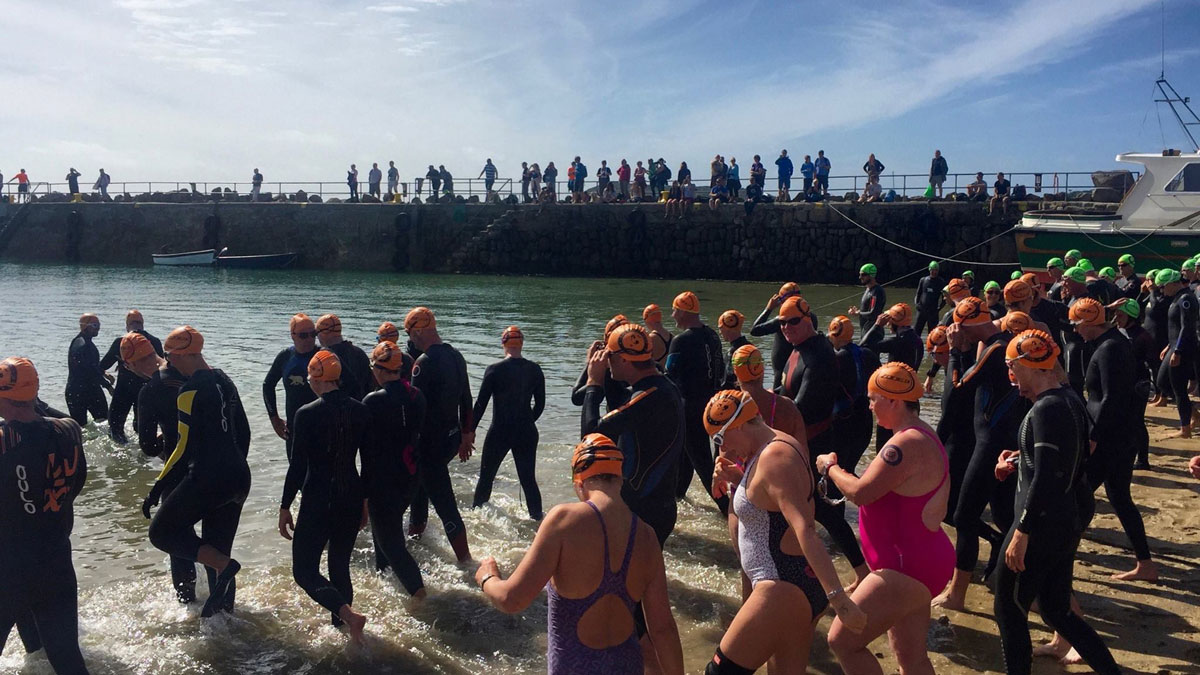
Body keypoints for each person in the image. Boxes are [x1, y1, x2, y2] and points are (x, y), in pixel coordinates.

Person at [475, 435, 684, 675]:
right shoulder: (647, 536)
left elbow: (512, 600)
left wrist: (487, 578)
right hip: (628, 666)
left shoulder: (564, 521)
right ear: (620, 480)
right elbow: (662, 630)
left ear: (579, 482)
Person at [704, 390, 867, 674]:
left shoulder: (775, 457)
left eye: (720, 439)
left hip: (781, 585)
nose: (723, 449)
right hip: (792, 583)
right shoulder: (772, 445)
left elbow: (805, 528)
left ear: (739, 425)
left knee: (719, 672)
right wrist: (737, 481)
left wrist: (839, 600)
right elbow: (769, 504)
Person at [994, 330, 1122, 675]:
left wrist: (1023, 531)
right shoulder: (1068, 399)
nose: (1009, 376)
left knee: (1009, 606)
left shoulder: (1048, 409)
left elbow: (1050, 475)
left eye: (1011, 367)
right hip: (1064, 520)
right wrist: (1021, 459)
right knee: (1055, 610)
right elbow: (1066, 460)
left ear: (1029, 366)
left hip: (1042, 524)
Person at [815, 362, 952, 675]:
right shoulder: (920, 434)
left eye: (873, 398)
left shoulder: (905, 443)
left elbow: (861, 493)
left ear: (895, 400)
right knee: (911, 658)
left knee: (842, 641)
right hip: (919, 562)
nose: (870, 406)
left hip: (906, 566)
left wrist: (830, 467)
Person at [144, 326, 250, 619]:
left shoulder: (188, 390)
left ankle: (223, 571)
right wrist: (234, 465)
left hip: (208, 476)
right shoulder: (225, 380)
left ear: (183, 355)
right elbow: (244, 432)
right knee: (219, 550)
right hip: (239, 476)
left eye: (170, 356)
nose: (169, 363)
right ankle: (224, 620)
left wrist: (157, 488)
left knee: (161, 532)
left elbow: (182, 448)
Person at [932, 296, 1025, 610]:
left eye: (959, 328)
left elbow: (960, 388)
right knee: (1003, 516)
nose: (956, 333)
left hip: (991, 444)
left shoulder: (997, 348)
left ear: (967, 324)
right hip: (996, 440)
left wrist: (957, 352)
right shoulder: (996, 344)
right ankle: (1020, 580)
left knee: (964, 515)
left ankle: (956, 594)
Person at [0, 357, 90, 675]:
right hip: (56, 559)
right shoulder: (69, 430)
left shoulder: (5, 439)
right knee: (66, 658)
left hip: (9, 566)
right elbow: (75, 485)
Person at [277, 350, 370, 644]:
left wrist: (284, 505)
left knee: (304, 571)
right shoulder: (361, 410)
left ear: (315, 378)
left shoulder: (306, 414)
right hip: (351, 495)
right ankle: (345, 633)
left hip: (318, 499)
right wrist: (364, 503)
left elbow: (297, 467)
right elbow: (368, 462)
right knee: (339, 565)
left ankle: (348, 615)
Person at [776, 297, 870, 579]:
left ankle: (861, 573)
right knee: (803, 513)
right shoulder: (799, 349)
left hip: (817, 445)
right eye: (782, 323)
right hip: (799, 443)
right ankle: (803, 571)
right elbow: (785, 394)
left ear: (808, 320)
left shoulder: (820, 354)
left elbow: (801, 408)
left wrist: (765, 412)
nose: (786, 328)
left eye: (792, 321)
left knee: (824, 514)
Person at [1068, 298, 1156, 581]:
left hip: (1109, 438)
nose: (1075, 330)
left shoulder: (1110, 349)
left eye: (1076, 324)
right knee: (1118, 498)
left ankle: (1061, 552)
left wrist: (1093, 437)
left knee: (1078, 493)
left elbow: (1110, 397)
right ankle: (1146, 564)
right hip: (1118, 434)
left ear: (1088, 323)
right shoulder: (1112, 343)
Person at [580, 323, 683, 546]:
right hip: (656, 505)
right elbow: (621, 409)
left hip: (641, 510)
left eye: (610, 357)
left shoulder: (647, 397)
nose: (607, 362)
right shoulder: (662, 386)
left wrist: (593, 383)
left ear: (624, 360)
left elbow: (590, 436)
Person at [129, 331, 207, 605]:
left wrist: (165, 441)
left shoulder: (150, 389)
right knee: (214, 537)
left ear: (130, 365)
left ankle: (188, 602)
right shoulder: (194, 371)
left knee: (175, 536)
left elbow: (148, 446)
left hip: (179, 470)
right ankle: (222, 602)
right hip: (216, 466)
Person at [404, 307, 474, 561]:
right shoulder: (456, 355)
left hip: (429, 445)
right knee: (421, 492)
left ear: (419, 331)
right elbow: (466, 398)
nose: (409, 339)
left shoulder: (423, 363)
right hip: (451, 439)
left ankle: (466, 562)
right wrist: (467, 434)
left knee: (445, 504)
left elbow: (414, 410)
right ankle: (415, 541)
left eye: (409, 333)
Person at [361, 341, 426, 596]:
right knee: (383, 538)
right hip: (410, 477)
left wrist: (363, 495)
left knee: (392, 544)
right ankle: (385, 586)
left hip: (383, 482)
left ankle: (422, 598)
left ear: (377, 369)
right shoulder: (417, 396)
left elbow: (367, 453)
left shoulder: (372, 401)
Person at [470, 326, 546, 519]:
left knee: (486, 478)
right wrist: (527, 421)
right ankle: (538, 520)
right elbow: (540, 404)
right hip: (527, 431)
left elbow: (480, 404)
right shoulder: (535, 369)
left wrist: (469, 430)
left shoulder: (494, 370)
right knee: (528, 480)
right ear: (521, 343)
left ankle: (476, 519)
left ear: (503, 343)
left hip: (500, 431)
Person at [665, 292, 727, 513]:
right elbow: (720, 370)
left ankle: (729, 510)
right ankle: (677, 497)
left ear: (682, 311)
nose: (672, 316)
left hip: (689, 409)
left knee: (703, 464)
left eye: (674, 311)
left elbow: (668, 376)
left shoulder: (680, 341)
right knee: (686, 457)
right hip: (712, 407)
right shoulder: (711, 335)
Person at [98, 310, 163, 443]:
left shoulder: (122, 342)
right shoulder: (155, 341)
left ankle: (121, 457)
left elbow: (102, 366)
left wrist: (106, 374)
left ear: (127, 325)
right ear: (142, 324)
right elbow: (160, 371)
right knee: (143, 430)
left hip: (124, 390)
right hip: (146, 391)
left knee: (115, 429)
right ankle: (148, 460)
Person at [263, 313, 319, 460]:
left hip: (321, 427)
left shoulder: (324, 356)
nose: (309, 339)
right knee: (296, 475)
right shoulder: (285, 356)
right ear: (292, 336)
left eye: (313, 334)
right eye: (303, 335)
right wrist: (274, 419)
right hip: (294, 429)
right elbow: (268, 385)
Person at [1112, 298, 1157, 469]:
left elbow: (1153, 363)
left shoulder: (1142, 336)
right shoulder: (1119, 330)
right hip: (1123, 382)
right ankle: (1125, 453)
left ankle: (1143, 460)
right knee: (1123, 420)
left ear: (1131, 316)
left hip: (1139, 383)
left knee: (1137, 421)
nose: (1117, 318)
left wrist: (1157, 390)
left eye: (1120, 315)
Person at [1155, 269, 1196, 437]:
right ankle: (1194, 413)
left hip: (1183, 349)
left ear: (1172, 283)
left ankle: (1185, 428)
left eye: (1163, 287)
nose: (1162, 291)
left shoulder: (1186, 298)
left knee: (1179, 388)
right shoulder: (1177, 298)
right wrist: (1168, 346)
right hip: (1173, 346)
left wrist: (1177, 350)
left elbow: (1187, 327)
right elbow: (1175, 328)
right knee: (1162, 382)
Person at [750, 282, 803, 390]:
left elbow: (755, 330)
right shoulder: (810, 318)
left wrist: (769, 308)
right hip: (800, 368)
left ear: (782, 300)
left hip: (782, 372)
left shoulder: (782, 320)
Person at [66, 313, 113, 426]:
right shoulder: (83, 346)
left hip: (75, 391)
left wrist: (103, 373)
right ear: (85, 326)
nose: (98, 328)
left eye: (99, 325)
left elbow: (88, 366)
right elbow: (90, 371)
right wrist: (108, 386)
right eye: (95, 325)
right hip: (88, 392)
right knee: (105, 423)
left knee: (81, 428)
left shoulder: (77, 342)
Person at [315, 314, 372, 401]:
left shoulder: (326, 358)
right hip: (360, 408)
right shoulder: (360, 353)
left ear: (323, 333)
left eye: (316, 333)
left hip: (337, 409)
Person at [861, 302, 923, 370]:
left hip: (894, 378)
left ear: (896, 323)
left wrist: (877, 325)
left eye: (889, 321)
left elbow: (863, 346)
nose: (887, 324)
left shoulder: (895, 342)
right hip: (911, 378)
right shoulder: (918, 340)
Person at [717, 309, 749, 389]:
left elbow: (728, 381)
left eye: (721, 328)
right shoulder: (750, 347)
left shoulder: (732, 353)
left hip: (734, 397)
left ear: (727, 328)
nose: (720, 332)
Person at [849, 263, 886, 330]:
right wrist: (858, 311)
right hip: (865, 329)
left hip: (873, 332)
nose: (860, 277)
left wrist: (858, 313)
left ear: (871, 275)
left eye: (863, 275)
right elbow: (868, 310)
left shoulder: (877, 292)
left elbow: (874, 313)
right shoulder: (868, 289)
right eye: (860, 274)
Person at [914, 261, 943, 338]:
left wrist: (939, 308)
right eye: (932, 270)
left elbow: (944, 298)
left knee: (933, 335)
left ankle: (931, 349)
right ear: (929, 270)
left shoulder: (940, 282)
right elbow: (918, 294)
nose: (934, 272)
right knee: (916, 333)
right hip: (921, 310)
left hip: (933, 312)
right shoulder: (923, 280)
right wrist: (916, 305)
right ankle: (915, 349)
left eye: (936, 270)